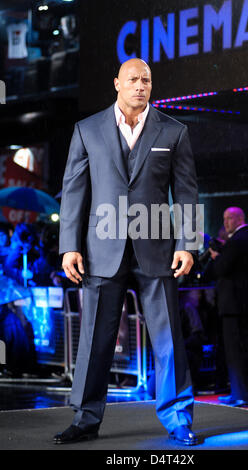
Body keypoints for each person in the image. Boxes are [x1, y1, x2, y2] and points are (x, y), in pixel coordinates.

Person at [54, 58, 200, 445]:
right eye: (133, 79)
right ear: (116, 82)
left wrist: (188, 244)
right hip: (102, 249)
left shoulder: (175, 131)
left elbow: (186, 192)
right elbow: (73, 192)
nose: (140, 85)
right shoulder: (87, 131)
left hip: (157, 249)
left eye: (146, 80)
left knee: (168, 340)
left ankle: (179, 419)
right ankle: (85, 419)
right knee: (95, 340)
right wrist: (69, 246)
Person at [209, 207, 248, 407]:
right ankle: (239, 392)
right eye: (224, 218)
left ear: (240, 218)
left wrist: (217, 257)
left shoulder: (238, 240)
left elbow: (222, 268)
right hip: (245, 303)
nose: (226, 222)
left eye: (230, 218)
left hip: (234, 305)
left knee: (237, 351)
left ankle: (241, 394)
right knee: (241, 350)